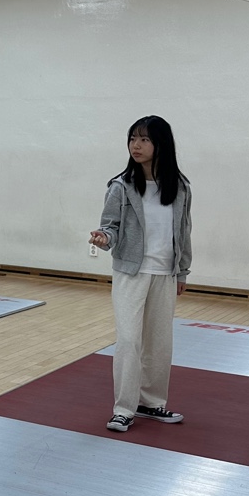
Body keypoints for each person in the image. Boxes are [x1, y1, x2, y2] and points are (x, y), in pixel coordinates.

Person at [89, 115, 192, 433]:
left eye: (145, 139)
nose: (136, 145)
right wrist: (104, 239)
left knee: (159, 343)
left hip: (165, 275)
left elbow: (184, 232)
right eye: (133, 138)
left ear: (161, 144)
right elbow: (110, 226)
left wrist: (182, 272)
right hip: (131, 274)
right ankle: (123, 409)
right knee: (129, 341)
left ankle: (151, 403)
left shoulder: (180, 187)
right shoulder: (120, 187)